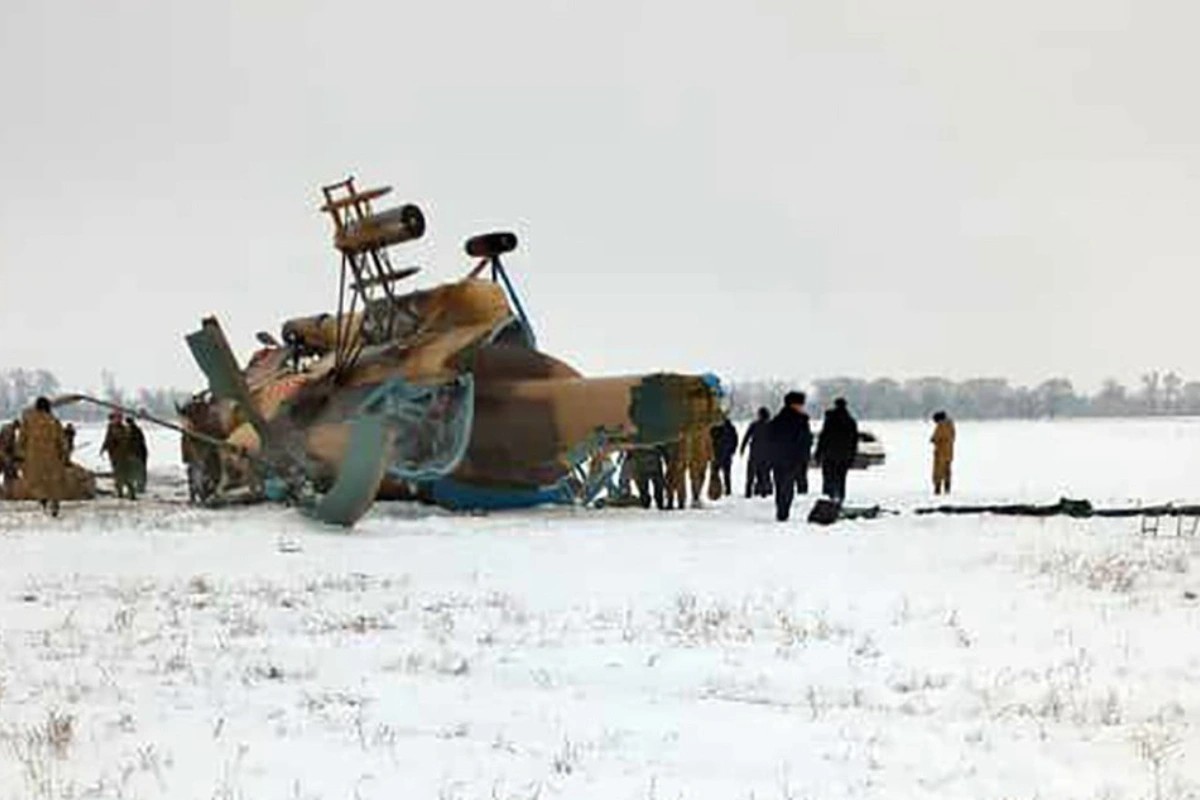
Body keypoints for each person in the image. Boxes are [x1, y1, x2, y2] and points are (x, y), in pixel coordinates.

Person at [766, 391, 813, 522]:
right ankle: (783, 511)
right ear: (795, 404)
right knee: (787, 486)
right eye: (801, 404)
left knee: (780, 486)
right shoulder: (802, 420)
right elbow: (805, 440)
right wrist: (804, 457)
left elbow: (769, 439)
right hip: (793, 458)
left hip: (778, 458)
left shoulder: (777, 419)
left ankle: (781, 511)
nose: (802, 406)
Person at [16, 397, 68, 516]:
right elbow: (62, 440)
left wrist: (20, 454)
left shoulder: (28, 420)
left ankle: (43, 500)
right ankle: (54, 502)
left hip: (33, 457)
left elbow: (21, 438)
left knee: (35, 480)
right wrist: (64, 456)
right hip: (52, 457)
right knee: (54, 481)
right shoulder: (54, 421)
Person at [814, 397, 858, 503]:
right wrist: (852, 456)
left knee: (829, 476)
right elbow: (854, 441)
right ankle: (840, 496)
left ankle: (829, 496)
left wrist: (818, 453)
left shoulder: (830, 420)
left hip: (830, 454)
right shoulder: (851, 421)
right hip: (844, 455)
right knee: (841, 477)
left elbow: (823, 438)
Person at [101, 412, 138, 499]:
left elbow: (130, 441)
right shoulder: (111, 429)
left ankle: (131, 492)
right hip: (116, 456)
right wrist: (103, 448)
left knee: (127, 475)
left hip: (125, 456)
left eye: (119, 418)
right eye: (115, 418)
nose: (117, 420)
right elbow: (107, 440)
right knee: (118, 475)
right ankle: (120, 492)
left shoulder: (125, 429)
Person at [739, 407, 773, 498]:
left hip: (754, 453)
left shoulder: (754, 425)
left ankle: (748, 492)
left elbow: (746, 437)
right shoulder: (771, 426)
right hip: (767, 455)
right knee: (764, 474)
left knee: (751, 474)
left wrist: (742, 448)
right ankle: (764, 491)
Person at [709, 416, 738, 499]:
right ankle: (727, 490)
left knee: (715, 473)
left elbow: (710, 440)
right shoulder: (730, 428)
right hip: (726, 454)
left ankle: (715, 492)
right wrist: (732, 450)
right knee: (726, 474)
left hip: (717, 454)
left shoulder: (714, 428)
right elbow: (735, 440)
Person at [930, 410, 956, 494]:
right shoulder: (951, 425)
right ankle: (947, 488)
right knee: (947, 471)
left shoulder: (941, 425)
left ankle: (937, 489)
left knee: (938, 471)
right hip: (949, 452)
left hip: (940, 452)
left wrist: (933, 439)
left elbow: (936, 438)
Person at [127, 417, 148, 494]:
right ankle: (140, 486)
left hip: (138, 453)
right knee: (139, 471)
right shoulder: (136, 430)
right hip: (139, 453)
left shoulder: (134, 431)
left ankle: (140, 487)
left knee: (139, 471)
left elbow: (136, 443)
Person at [0, 419, 20, 494]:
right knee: (10, 471)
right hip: (4, 454)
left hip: (4, 453)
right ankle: (8, 491)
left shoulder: (7, 428)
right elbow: (7, 445)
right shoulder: (9, 431)